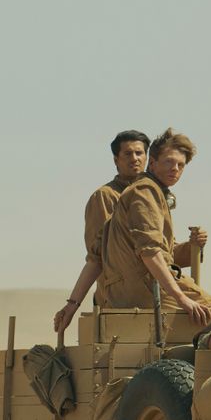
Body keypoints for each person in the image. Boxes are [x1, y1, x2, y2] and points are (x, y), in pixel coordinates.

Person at [98, 128, 211, 325]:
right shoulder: (143, 191)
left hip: (148, 283)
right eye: (169, 162)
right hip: (145, 287)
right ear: (152, 163)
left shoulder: (152, 192)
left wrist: (192, 247)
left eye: (181, 165)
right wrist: (181, 298)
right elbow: (148, 252)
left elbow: (166, 253)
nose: (175, 169)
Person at [52, 130, 150, 333]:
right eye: (128, 154)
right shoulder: (105, 197)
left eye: (139, 153)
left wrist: (192, 246)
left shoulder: (151, 197)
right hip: (118, 298)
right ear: (116, 160)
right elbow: (99, 254)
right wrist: (73, 303)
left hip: (151, 294)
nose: (135, 159)